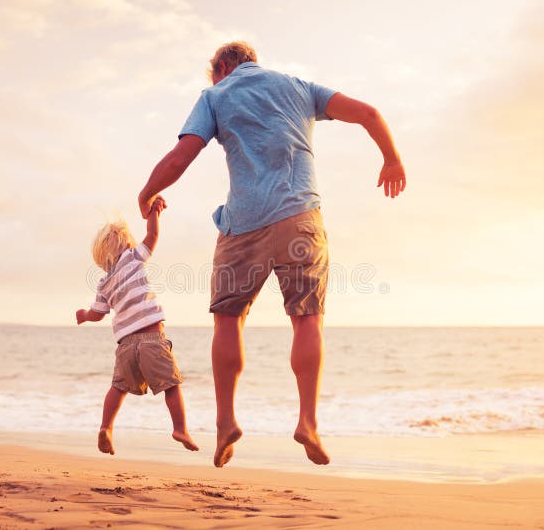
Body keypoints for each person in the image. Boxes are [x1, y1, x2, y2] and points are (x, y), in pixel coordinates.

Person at [137, 41, 405, 467]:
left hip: (243, 222)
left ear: (223, 67)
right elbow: (369, 114)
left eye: (214, 75)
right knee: (307, 318)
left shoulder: (215, 96)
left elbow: (181, 155)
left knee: (228, 320)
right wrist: (391, 158)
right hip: (299, 215)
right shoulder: (300, 88)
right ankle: (308, 422)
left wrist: (148, 192)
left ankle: (226, 422)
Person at [76, 197, 199, 456]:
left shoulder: (103, 284)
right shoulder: (133, 258)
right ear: (126, 243)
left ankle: (106, 427)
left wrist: (84, 315)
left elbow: (97, 314)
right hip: (152, 339)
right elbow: (153, 235)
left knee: (118, 388)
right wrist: (155, 212)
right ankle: (180, 428)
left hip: (125, 347)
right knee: (171, 385)